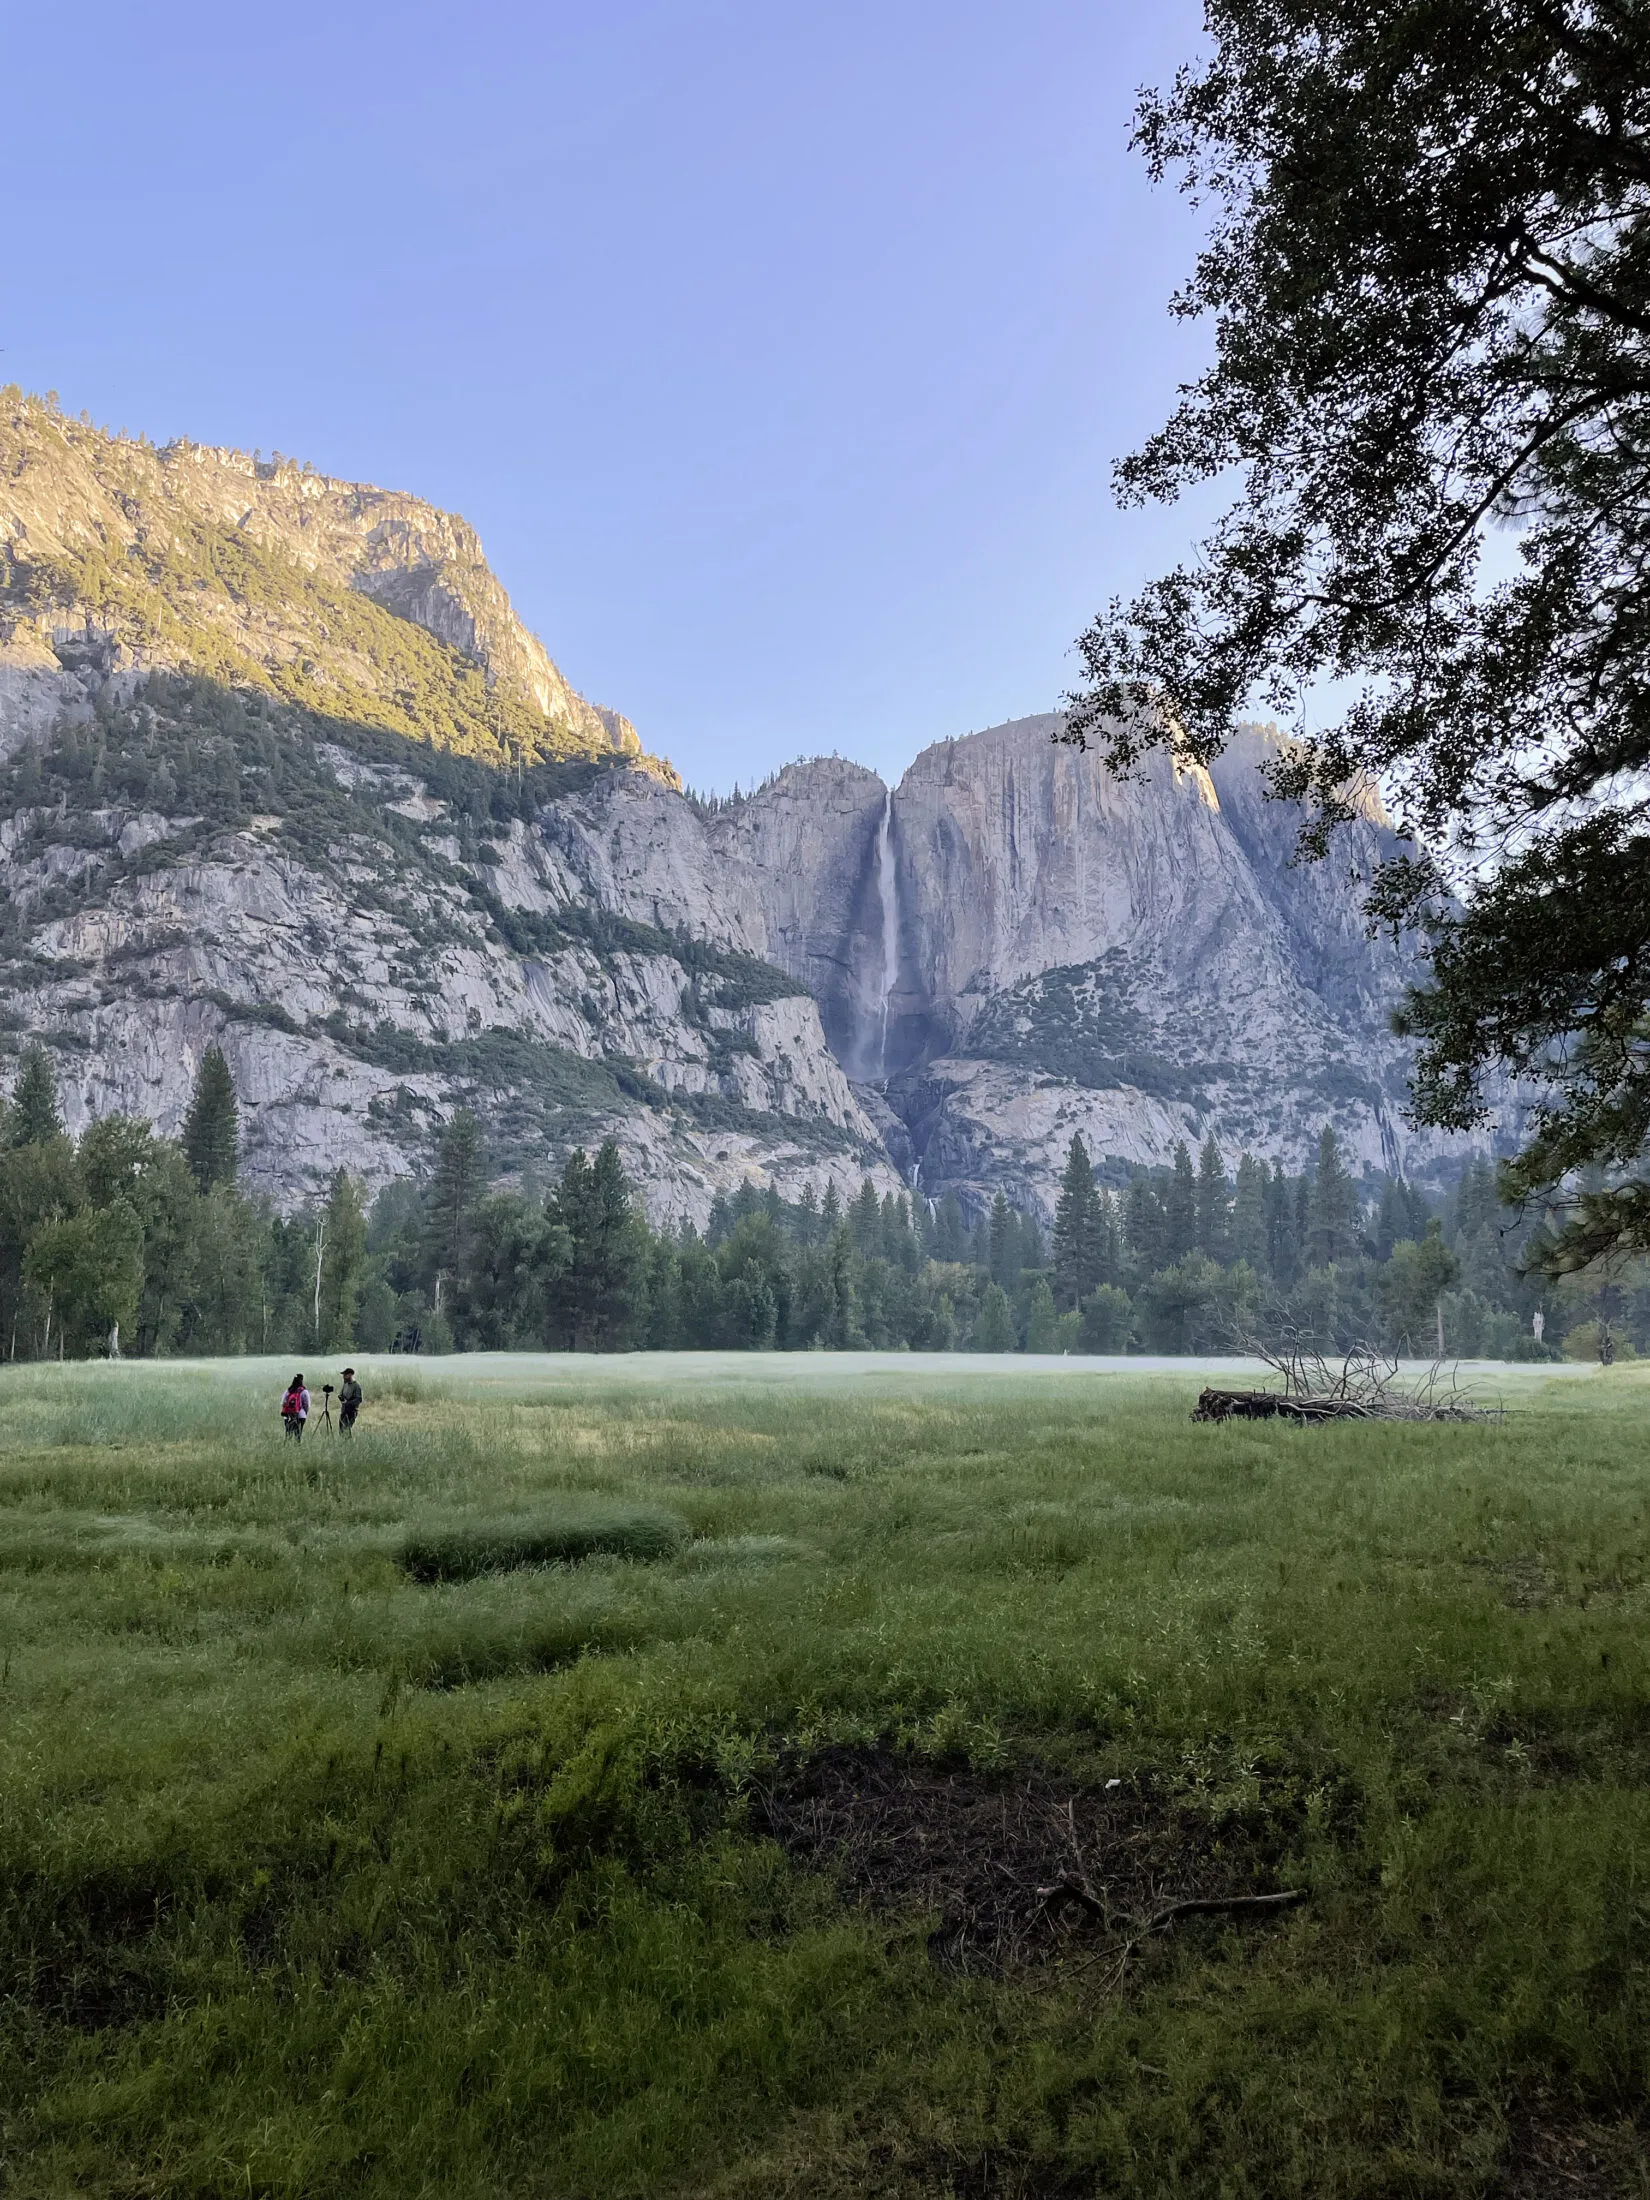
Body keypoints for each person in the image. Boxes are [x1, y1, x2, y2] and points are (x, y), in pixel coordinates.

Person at [281, 1372, 310, 1441]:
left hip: (288, 1416)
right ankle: (297, 1445)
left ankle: (288, 1445)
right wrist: (305, 1413)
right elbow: (307, 1405)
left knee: (288, 1435)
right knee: (298, 1435)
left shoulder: (288, 1390)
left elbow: (283, 1402)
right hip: (300, 1415)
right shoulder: (304, 1391)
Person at [338, 1366, 363, 1434]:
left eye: (345, 1375)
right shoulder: (345, 1384)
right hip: (344, 1410)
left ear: (350, 1375)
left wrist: (348, 1402)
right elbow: (341, 1394)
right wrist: (341, 1397)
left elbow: (359, 1400)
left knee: (346, 1430)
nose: (343, 1377)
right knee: (341, 1430)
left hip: (351, 1411)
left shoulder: (356, 1386)